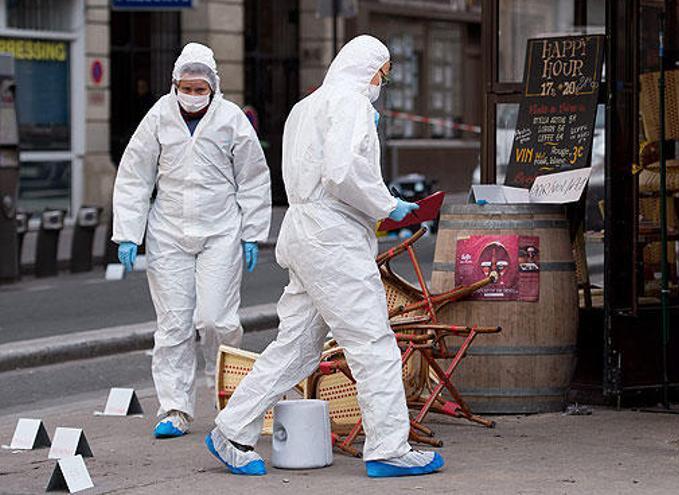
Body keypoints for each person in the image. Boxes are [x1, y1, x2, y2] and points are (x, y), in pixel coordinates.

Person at [206, 35, 443, 478]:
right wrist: (386, 203)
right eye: (381, 73)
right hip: (333, 240)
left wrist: (374, 202)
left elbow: (312, 173)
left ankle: (231, 428)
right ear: (368, 68)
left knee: (296, 346)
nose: (381, 82)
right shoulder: (350, 102)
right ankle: (389, 448)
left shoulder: (305, 106)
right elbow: (342, 172)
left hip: (303, 232)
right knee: (372, 342)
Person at [112, 43, 271, 439]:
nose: (194, 94)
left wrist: (253, 232)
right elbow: (135, 175)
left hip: (220, 231)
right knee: (173, 327)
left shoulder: (231, 119)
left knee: (217, 319)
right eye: (187, 86)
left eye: (201, 88)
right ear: (175, 84)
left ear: (214, 87)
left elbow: (253, 177)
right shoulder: (158, 118)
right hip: (168, 233)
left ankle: (230, 398)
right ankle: (175, 408)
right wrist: (128, 233)